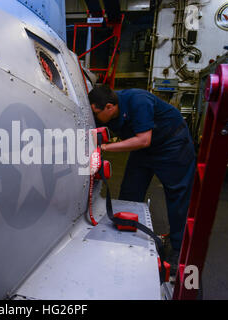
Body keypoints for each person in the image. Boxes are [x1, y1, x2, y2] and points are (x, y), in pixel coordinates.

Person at [88, 84, 196, 275]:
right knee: (130, 192)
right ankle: (123, 237)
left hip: (171, 144)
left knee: (177, 195)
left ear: (110, 107)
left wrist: (104, 148)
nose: (95, 118)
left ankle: (179, 248)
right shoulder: (106, 108)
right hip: (144, 149)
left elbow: (143, 139)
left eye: (96, 114)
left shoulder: (138, 101)